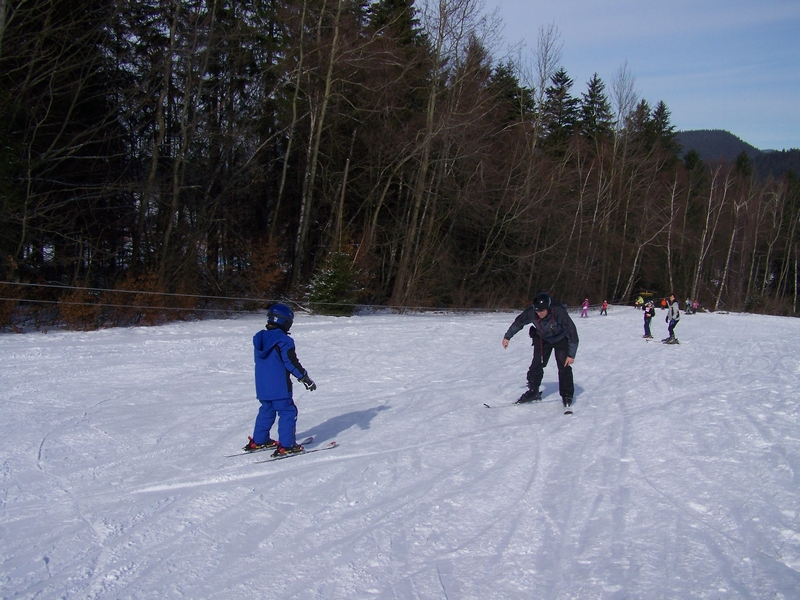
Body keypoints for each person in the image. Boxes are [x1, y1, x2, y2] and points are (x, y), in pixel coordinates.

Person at [243, 303, 317, 456]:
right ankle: (287, 445)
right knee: (288, 411)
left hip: (263, 387)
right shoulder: (284, 340)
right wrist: (304, 377)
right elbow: (290, 362)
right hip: (280, 387)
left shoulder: (260, 338)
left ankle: (260, 440)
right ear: (285, 321)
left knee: (267, 410)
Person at [502, 292, 579, 409]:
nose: (539, 313)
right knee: (536, 365)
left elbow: (571, 331)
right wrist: (507, 336)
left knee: (564, 367)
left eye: (542, 311)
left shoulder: (558, 311)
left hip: (561, 339)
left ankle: (567, 395)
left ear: (548, 308)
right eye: (537, 311)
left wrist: (571, 355)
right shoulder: (531, 312)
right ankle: (533, 391)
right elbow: (518, 323)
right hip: (543, 339)